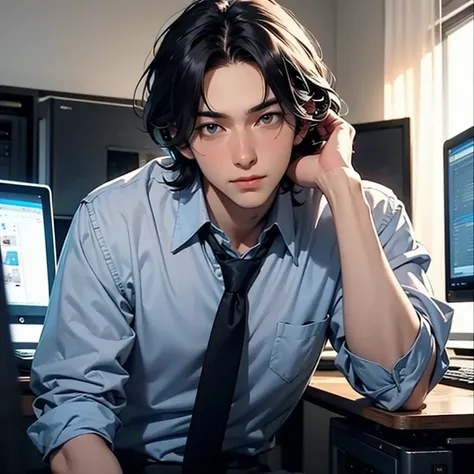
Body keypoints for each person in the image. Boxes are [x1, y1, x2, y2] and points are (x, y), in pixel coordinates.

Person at [27, 1, 453, 473]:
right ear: (181, 136)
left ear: (304, 118)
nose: (245, 155)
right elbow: (74, 411)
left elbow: (403, 387)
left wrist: (343, 188)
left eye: (267, 118)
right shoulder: (112, 221)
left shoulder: (361, 214)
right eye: (213, 126)